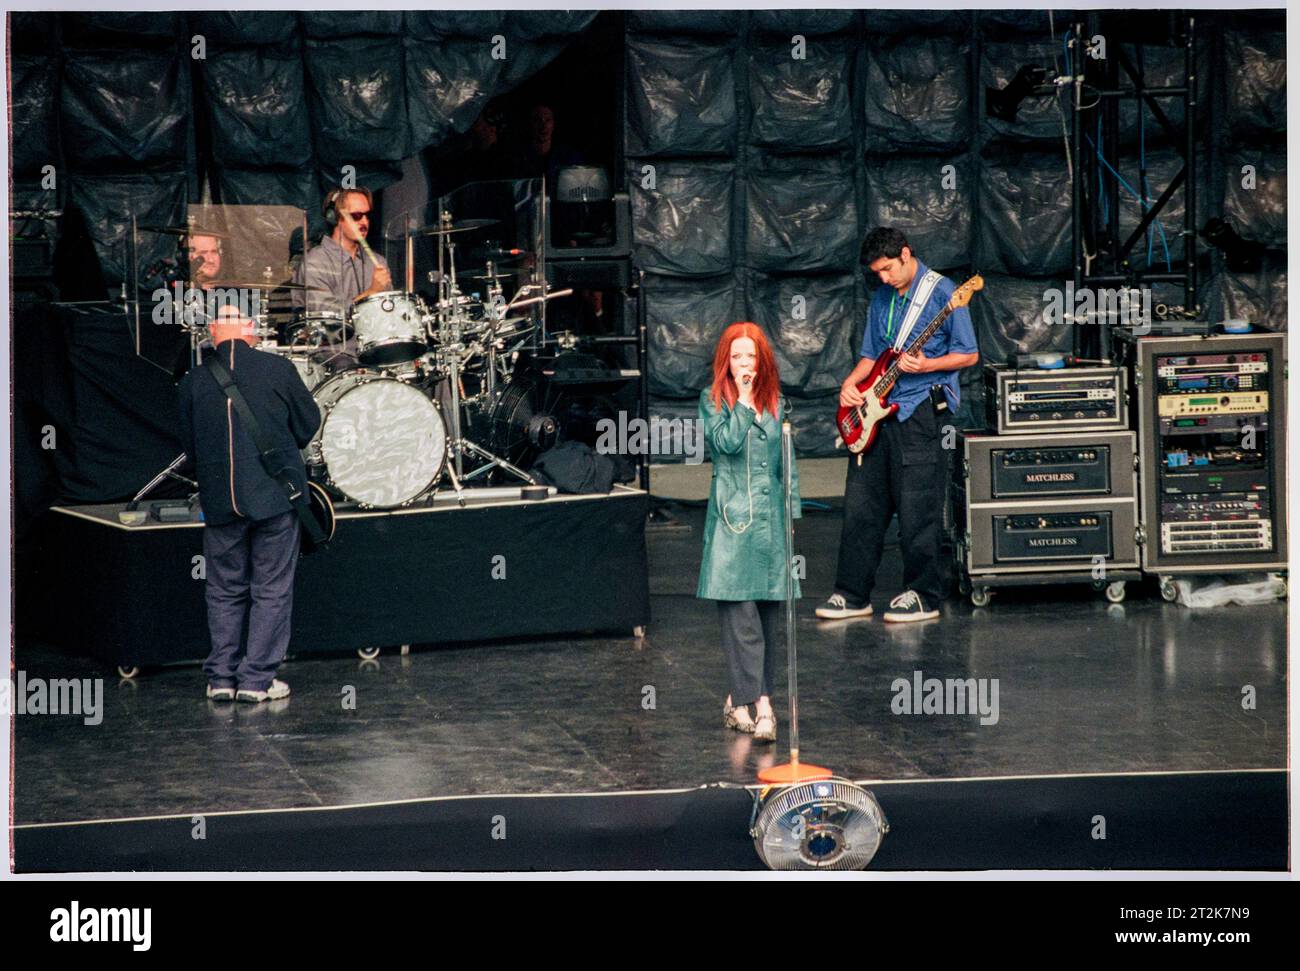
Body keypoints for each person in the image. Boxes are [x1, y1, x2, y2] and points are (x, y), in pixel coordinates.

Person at [816, 227, 979, 624]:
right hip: (878, 412)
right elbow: (872, 355)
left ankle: (923, 595)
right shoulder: (881, 296)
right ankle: (852, 594)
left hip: (921, 412)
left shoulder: (945, 293)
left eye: (888, 269)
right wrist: (850, 385)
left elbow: (969, 354)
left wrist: (927, 365)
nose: (884, 278)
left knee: (917, 508)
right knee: (861, 506)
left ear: (906, 254)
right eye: (877, 273)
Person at [177, 305, 322, 702]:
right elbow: (309, 424)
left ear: (211, 333)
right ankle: (257, 681)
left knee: (223, 588)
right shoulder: (278, 370)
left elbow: (189, 448)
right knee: (271, 588)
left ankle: (221, 678)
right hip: (273, 497)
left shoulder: (192, 381)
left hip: (221, 501)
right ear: (251, 330)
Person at [697, 322, 801, 743]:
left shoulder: (777, 402)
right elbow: (724, 445)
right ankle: (762, 706)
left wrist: (791, 512)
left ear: (763, 362)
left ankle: (738, 702)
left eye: (751, 357)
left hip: (771, 526)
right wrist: (741, 402)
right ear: (727, 361)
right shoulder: (714, 400)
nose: (745, 364)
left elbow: (786, 463)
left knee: (768, 619)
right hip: (733, 520)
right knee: (742, 622)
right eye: (737, 357)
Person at [293, 185, 392, 317]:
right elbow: (325, 318)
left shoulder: (378, 262)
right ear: (335, 217)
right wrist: (371, 293)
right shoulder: (315, 262)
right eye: (356, 216)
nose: (364, 222)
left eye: (367, 215)